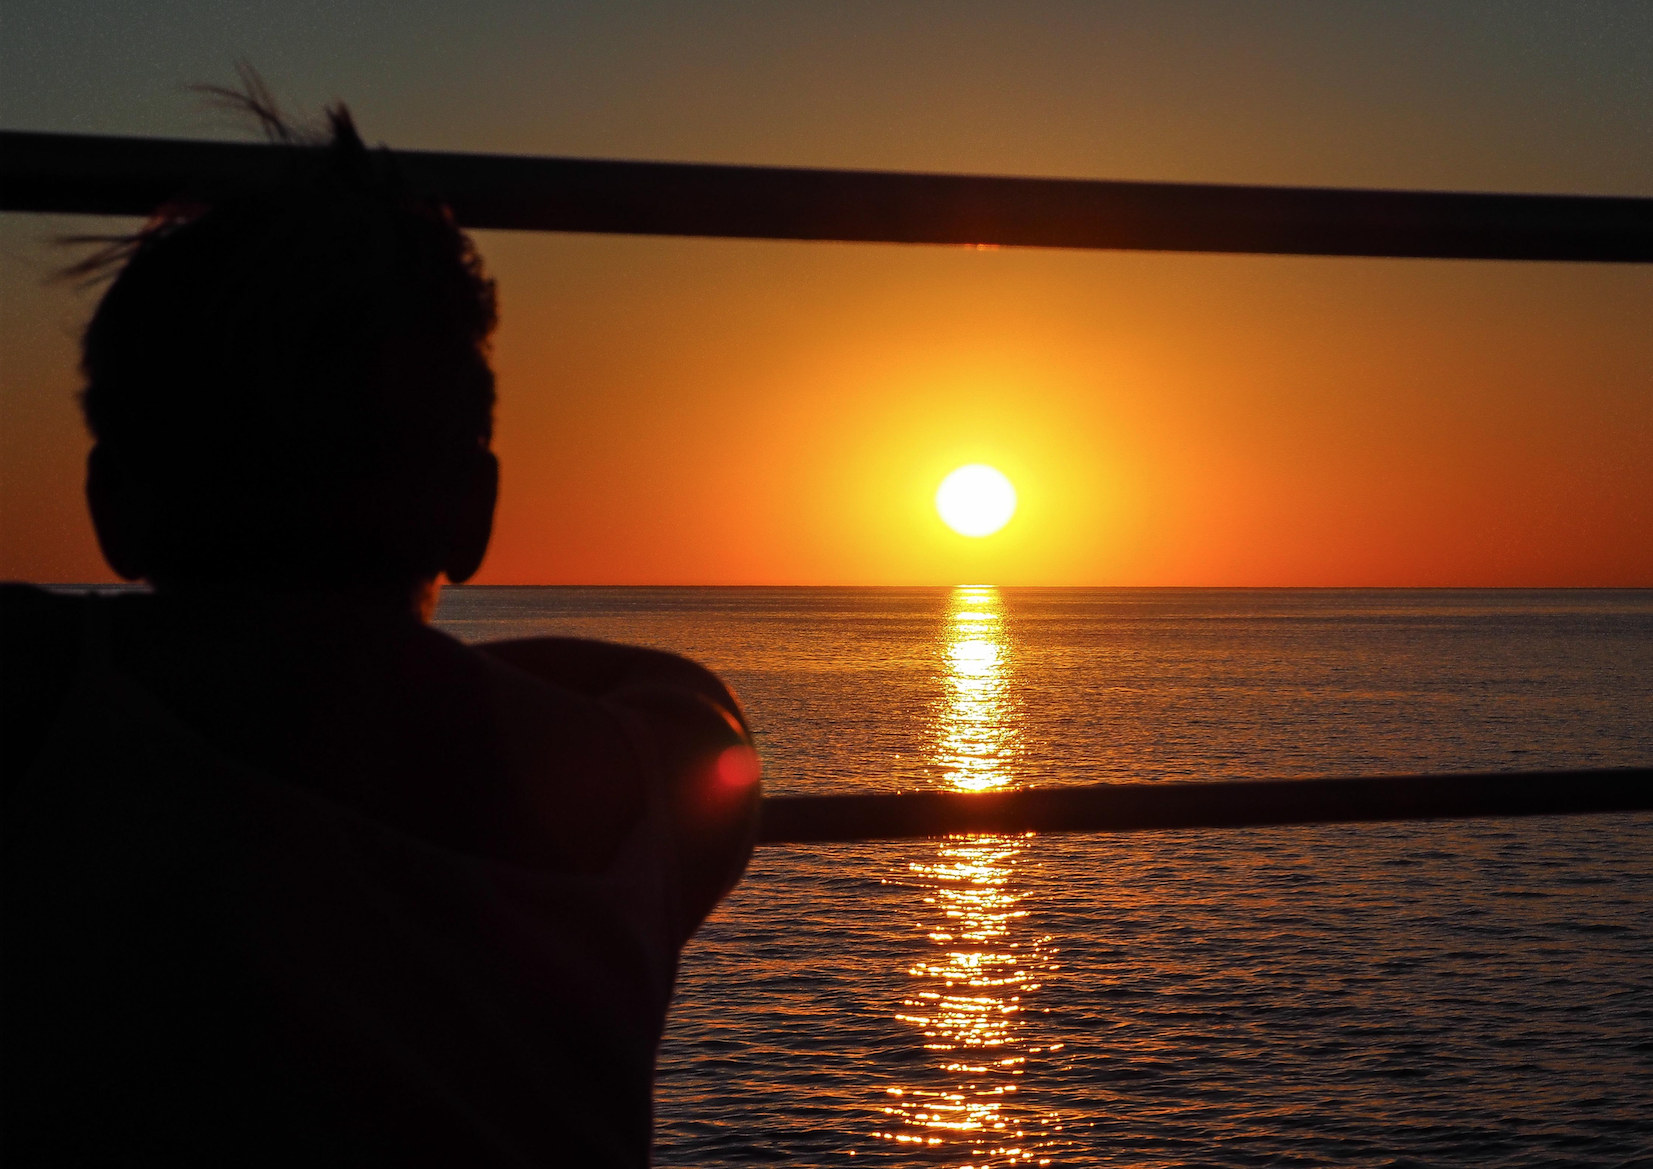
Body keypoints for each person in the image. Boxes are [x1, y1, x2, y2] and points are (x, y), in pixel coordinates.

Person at [1, 99, 761, 1167]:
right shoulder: (655, 773)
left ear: (110, 509)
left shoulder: (29, 704)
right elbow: (680, 690)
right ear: (475, 512)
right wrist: (381, 667)